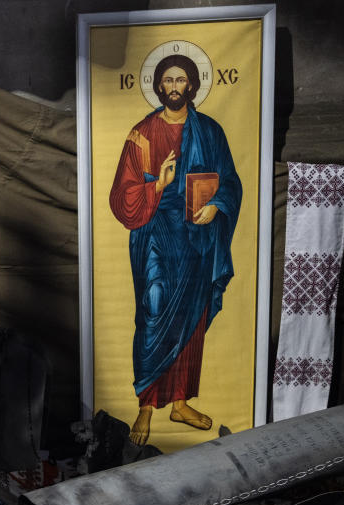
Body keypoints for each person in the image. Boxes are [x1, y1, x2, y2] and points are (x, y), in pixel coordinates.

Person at [108, 54, 242, 446]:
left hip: (196, 236)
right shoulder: (142, 134)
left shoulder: (211, 132)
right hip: (154, 233)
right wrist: (158, 185)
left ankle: (180, 401)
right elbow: (121, 196)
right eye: (167, 80)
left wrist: (216, 205)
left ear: (192, 85)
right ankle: (146, 406)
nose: (173, 87)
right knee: (152, 311)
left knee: (191, 319)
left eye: (181, 79)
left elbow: (230, 180)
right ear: (159, 86)